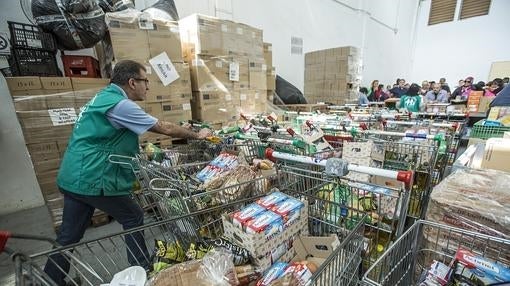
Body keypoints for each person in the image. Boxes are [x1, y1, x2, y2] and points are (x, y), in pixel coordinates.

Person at [43, 60, 212, 285]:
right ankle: (141, 270)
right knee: (133, 216)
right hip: (94, 176)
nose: (147, 87)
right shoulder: (121, 105)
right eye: (145, 81)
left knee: (69, 235)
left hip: (74, 175)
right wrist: (198, 135)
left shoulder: (102, 98)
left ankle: (49, 279)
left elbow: (105, 135)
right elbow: (165, 128)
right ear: (132, 82)